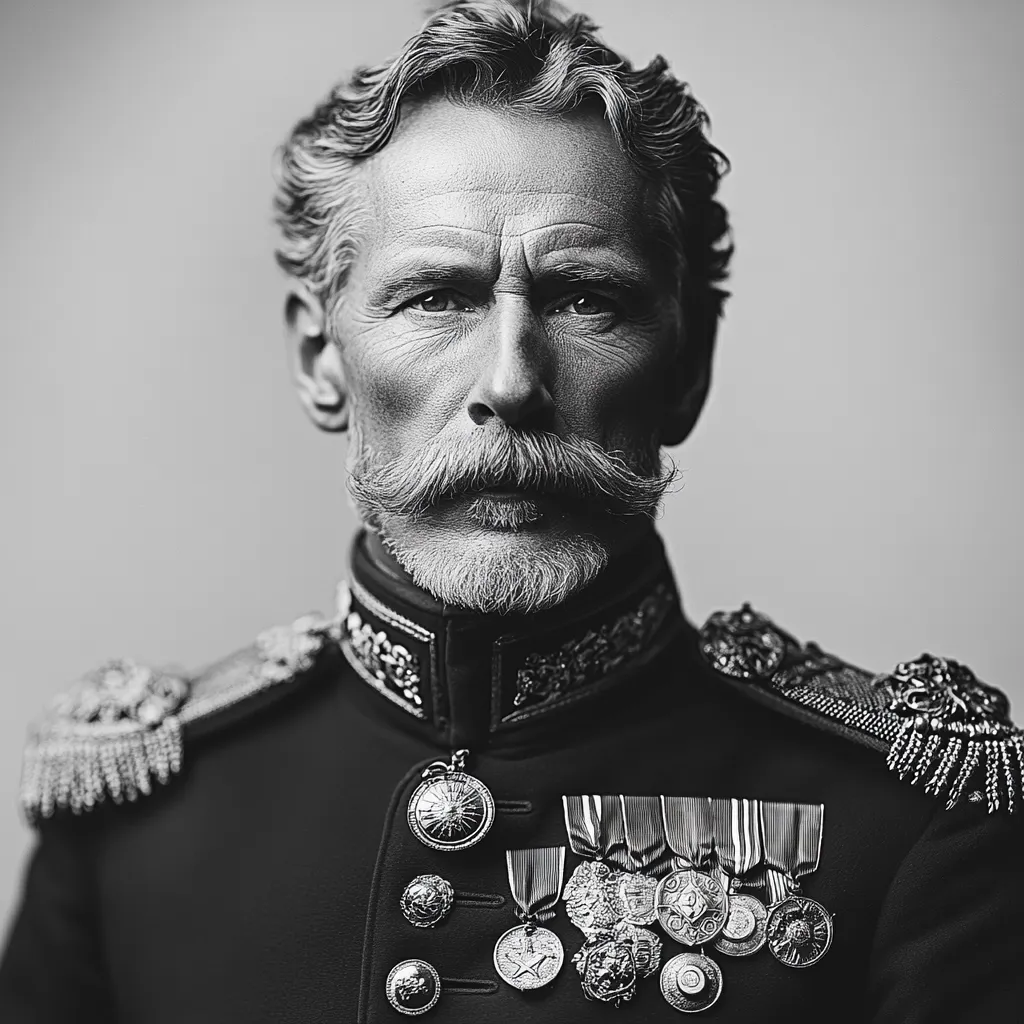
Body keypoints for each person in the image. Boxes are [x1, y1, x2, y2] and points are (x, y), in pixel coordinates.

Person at [2, 1, 1021, 1020]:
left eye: (585, 299)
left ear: (689, 364)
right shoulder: (132, 820)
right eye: (437, 296)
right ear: (320, 357)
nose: (511, 382)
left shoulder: (909, 822)